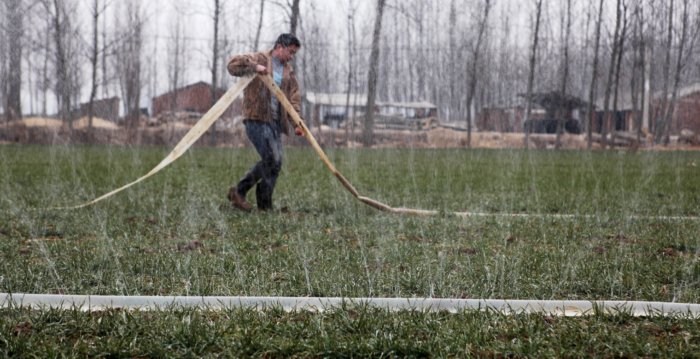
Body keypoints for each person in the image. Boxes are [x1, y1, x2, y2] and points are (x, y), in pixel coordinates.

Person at [226, 33, 305, 211]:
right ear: (279, 47)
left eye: (294, 54)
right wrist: (255, 67)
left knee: (275, 164)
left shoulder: (289, 73)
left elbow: (293, 101)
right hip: (256, 118)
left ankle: (264, 205)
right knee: (271, 158)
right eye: (290, 52)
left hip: (275, 123)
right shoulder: (260, 58)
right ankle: (239, 191)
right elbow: (232, 65)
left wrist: (297, 124)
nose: (291, 57)